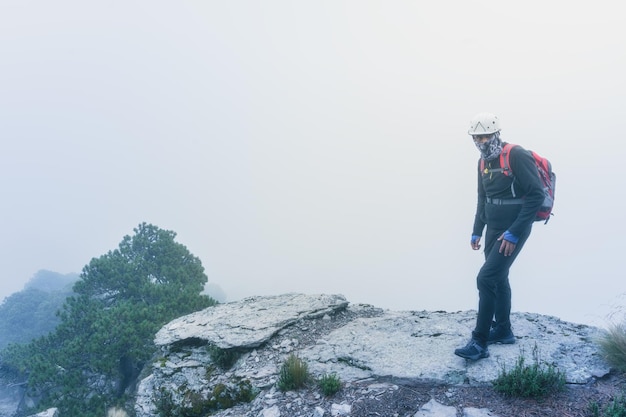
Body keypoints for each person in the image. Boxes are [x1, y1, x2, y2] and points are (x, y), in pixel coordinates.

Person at [454, 112, 544, 361]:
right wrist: (476, 230)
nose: (481, 141)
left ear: (496, 134)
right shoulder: (482, 162)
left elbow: (536, 195)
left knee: (485, 278)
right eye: (476, 137)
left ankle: (479, 341)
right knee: (499, 278)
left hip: (513, 229)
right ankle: (503, 330)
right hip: (492, 228)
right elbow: (482, 198)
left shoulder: (516, 154)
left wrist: (514, 233)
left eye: (485, 136)